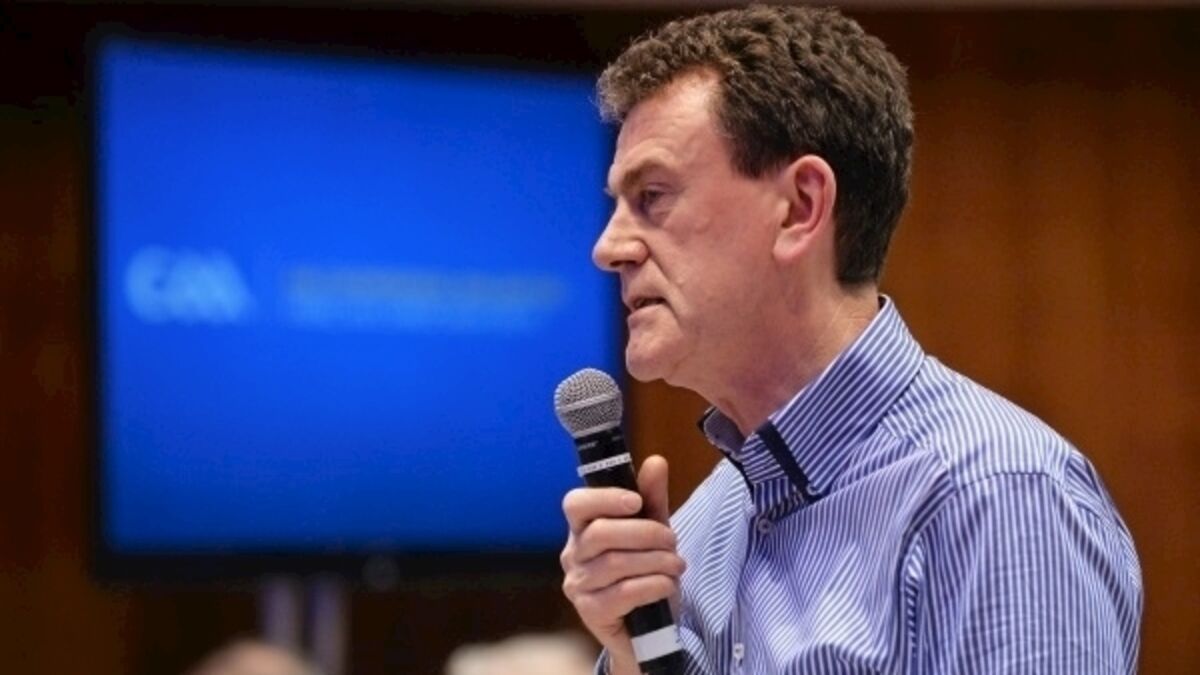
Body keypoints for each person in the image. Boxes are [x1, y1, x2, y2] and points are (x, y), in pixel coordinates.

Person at [558, 5, 1142, 675]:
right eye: (618, 205)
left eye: (653, 196)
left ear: (801, 207)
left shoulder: (1000, 498)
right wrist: (634, 653)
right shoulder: (699, 532)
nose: (609, 247)